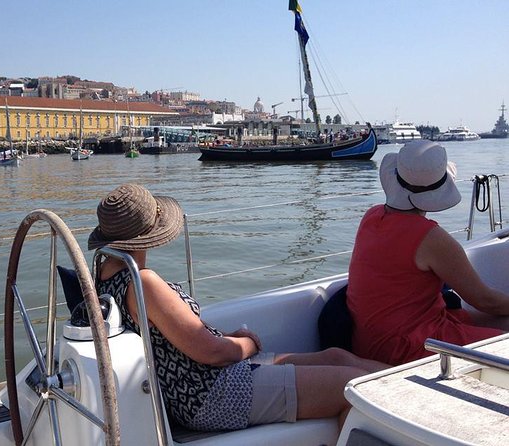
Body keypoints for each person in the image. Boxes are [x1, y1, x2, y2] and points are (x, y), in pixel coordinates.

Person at [88, 183, 387, 432]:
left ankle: (417, 378)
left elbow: (174, 342)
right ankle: (412, 397)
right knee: (355, 387)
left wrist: (223, 339)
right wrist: (247, 343)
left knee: (336, 357)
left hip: (203, 385)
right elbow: (215, 354)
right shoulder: (143, 282)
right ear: (147, 237)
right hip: (213, 394)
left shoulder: (101, 280)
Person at [347, 140, 509, 366]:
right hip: (409, 346)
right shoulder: (431, 238)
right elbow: (486, 301)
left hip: (371, 342)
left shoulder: (372, 216)